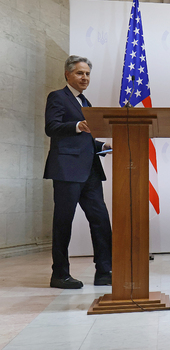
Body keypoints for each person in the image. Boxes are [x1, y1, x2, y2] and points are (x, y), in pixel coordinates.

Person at [44, 55, 112, 289]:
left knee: (101, 221)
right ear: (67, 74)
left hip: (90, 171)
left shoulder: (86, 103)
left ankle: (104, 271)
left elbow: (87, 140)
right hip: (67, 170)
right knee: (64, 222)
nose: (85, 78)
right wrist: (76, 125)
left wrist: (103, 146)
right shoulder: (58, 97)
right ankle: (59, 275)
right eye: (80, 73)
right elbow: (51, 127)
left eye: (88, 74)